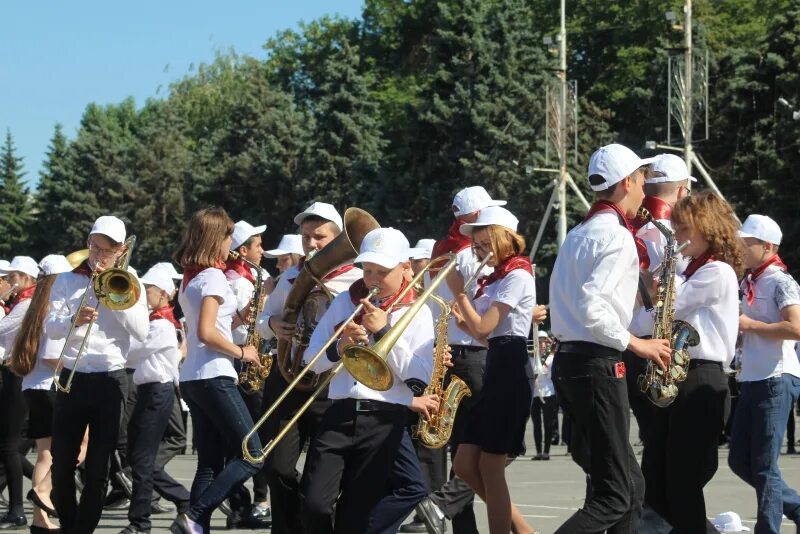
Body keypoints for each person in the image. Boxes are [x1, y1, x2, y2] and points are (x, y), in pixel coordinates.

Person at [550, 144, 672, 532]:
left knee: (629, 486)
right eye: (641, 182)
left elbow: (573, 303)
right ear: (627, 182)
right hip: (598, 366)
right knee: (617, 492)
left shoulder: (576, 234)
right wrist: (640, 344)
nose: (644, 192)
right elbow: (593, 308)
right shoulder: (618, 238)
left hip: (572, 363)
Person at [298, 227, 438, 534]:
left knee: (356, 510)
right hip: (339, 413)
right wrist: (339, 346)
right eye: (368, 270)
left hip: (382, 420)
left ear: (405, 268)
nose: (372, 279)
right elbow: (311, 360)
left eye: (382, 271)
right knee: (314, 504)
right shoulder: (345, 303)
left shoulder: (418, 311)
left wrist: (384, 331)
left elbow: (419, 377)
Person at [256, 201, 360, 534]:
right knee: (276, 469)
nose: (311, 244)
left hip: (331, 384)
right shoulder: (289, 276)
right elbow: (259, 322)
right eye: (305, 237)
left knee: (322, 481)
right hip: (288, 379)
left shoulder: (356, 278)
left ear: (338, 237)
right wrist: (272, 324)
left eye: (319, 237)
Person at [642, 191, 742, 533]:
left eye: (684, 229)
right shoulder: (690, 269)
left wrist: (653, 277)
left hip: (702, 376)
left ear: (707, 228)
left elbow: (673, 304)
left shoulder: (717, 272)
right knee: (656, 483)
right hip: (678, 375)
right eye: (676, 228)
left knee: (683, 485)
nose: (678, 237)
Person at [46, 216, 150, 534]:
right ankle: (69, 524)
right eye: (94, 246)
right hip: (73, 377)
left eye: (106, 249)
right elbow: (49, 327)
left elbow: (141, 332)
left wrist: (116, 301)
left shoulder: (131, 283)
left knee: (98, 466)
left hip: (110, 378)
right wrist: (73, 319)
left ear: (120, 250)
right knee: (62, 463)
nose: (98, 255)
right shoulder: (67, 280)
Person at [170, 207, 264, 534]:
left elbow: (212, 325)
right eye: (227, 236)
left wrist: (243, 316)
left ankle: (196, 526)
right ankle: (194, 514)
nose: (231, 243)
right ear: (216, 238)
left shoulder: (190, 278)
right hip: (214, 374)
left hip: (193, 376)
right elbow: (208, 334)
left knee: (209, 464)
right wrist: (243, 351)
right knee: (253, 454)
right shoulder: (212, 277)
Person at [414, 186, 500, 534]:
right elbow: (483, 314)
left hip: (450, 354)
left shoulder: (443, 253)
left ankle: (452, 519)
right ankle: (441, 503)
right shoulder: (470, 258)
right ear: (477, 220)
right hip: (475, 354)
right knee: (495, 446)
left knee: (459, 450)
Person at [448, 206, 536, 534]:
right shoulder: (496, 278)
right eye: (477, 245)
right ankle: (524, 530)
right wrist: (464, 319)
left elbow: (485, 328)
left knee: (489, 464)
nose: (479, 251)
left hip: (511, 368)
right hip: (497, 363)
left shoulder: (517, 275)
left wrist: (460, 293)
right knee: (464, 464)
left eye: (485, 243)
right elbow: (485, 336)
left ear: (503, 238)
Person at [728, 214, 800, 531]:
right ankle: (797, 508)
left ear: (767, 246)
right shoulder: (750, 280)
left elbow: (796, 328)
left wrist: (750, 326)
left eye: (747, 244)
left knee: (764, 466)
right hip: (753, 377)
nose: (740, 249)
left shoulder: (781, 281)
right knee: (740, 460)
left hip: (776, 377)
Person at [626, 153, 693, 444]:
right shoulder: (675, 238)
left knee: (652, 440)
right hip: (659, 350)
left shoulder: (624, 229)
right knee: (668, 445)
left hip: (630, 345)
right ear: (681, 192)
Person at [122, 266, 190, 534]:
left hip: (157, 393)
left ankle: (141, 522)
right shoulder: (155, 320)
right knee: (138, 459)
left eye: (147, 290)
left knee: (141, 459)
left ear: (162, 293)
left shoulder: (161, 325)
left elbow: (131, 355)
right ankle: (180, 500)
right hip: (149, 392)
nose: (142, 294)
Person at [7, 255, 72, 533]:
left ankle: (40, 518)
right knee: (81, 443)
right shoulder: (51, 307)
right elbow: (51, 357)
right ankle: (43, 492)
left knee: (46, 453)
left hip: (33, 385)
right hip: (50, 385)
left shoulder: (32, 306)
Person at [224, 219, 271, 529]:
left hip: (253, 356)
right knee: (251, 435)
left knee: (250, 435)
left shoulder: (257, 277)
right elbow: (230, 325)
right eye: (258, 246)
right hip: (242, 358)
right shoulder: (235, 281)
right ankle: (254, 502)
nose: (263, 251)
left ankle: (253, 500)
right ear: (243, 251)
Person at [0, 256, 41, 529]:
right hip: (11, 373)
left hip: (16, 375)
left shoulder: (26, 304)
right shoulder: (20, 303)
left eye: (14, 277)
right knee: (9, 447)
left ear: (27, 278)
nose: (10, 282)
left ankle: (18, 508)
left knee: (9, 446)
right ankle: (33, 495)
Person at [530, 330, 557, 461]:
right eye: (539, 342)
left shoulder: (552, 358)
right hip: (535, 394)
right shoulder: (531, 358)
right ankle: (538, 451)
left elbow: (554, 375)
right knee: (536, 425)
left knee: (548, 424)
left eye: (544, 342)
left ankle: (546, 452)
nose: (542, 344)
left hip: (548, 393)